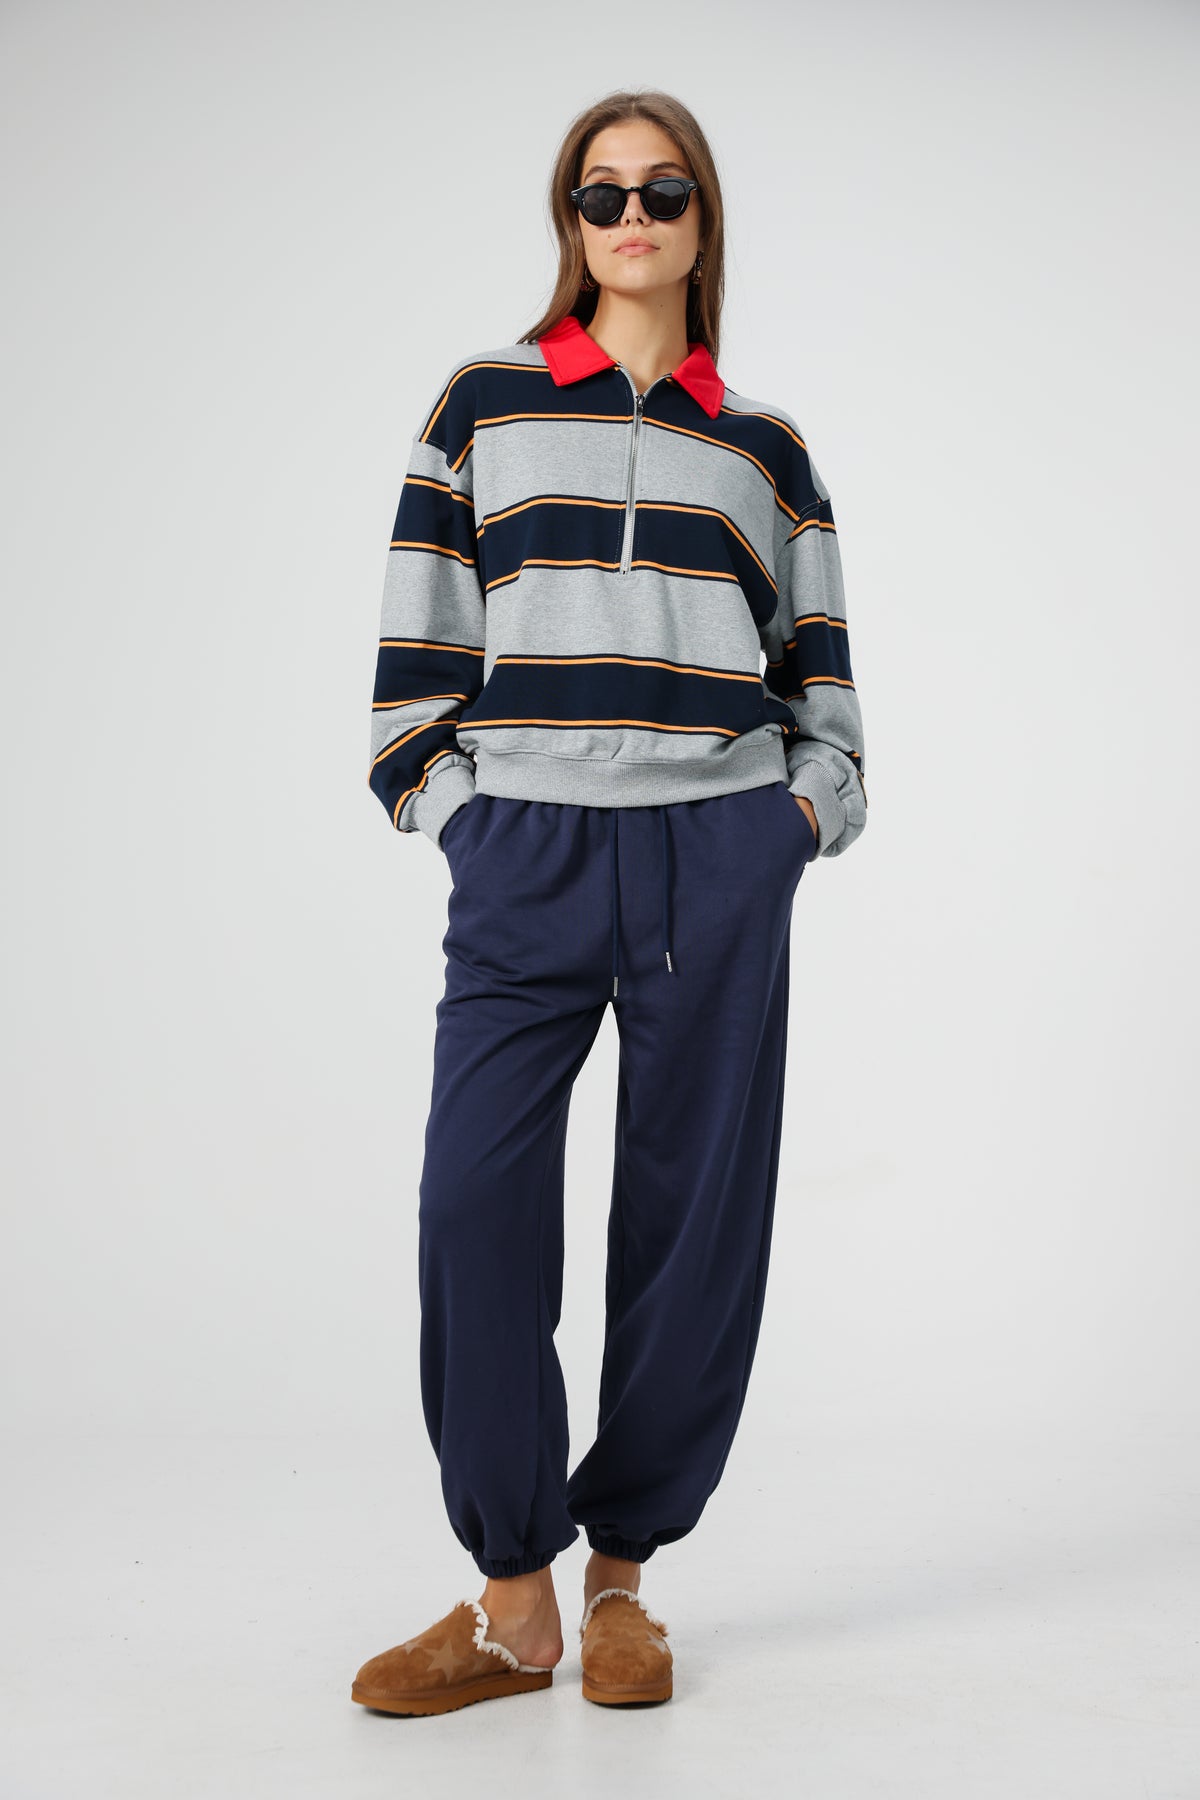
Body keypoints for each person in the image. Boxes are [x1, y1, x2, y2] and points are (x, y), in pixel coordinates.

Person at [353, 88, 868, 1717]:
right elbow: (415, 666)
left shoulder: (767, 450)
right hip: (528, 856)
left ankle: (625, 1574)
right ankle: (512, 1602)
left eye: (661, 193)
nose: (631, 219)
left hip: (718, 853)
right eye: (601, 194)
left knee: (691, 1222)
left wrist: (795, 822)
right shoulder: (484, 405)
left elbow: (826, 695)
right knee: (473, 1203)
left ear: (703, 219)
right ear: (568, 222)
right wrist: (458, 815)